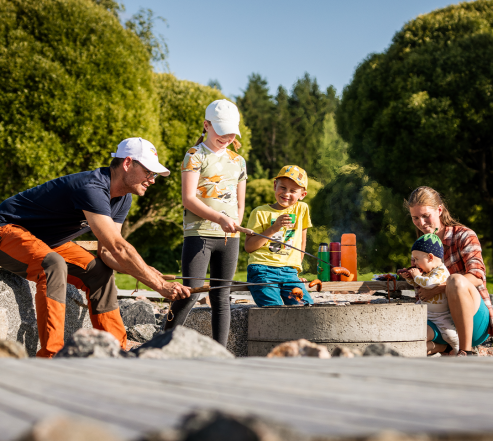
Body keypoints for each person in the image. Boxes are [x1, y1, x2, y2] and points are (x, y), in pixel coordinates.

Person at [0, 137, 190, 357]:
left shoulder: (123, 198)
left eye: (154, 175)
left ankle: (116, 352)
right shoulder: (91, 186)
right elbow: (118, 246)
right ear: (128, 163)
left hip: (43, 242)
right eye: (149, 172)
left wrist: (144, 271)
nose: (152, 180)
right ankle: (51, 357)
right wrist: (158, 285)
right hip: (5, 229)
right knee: (53, 265)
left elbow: (108, 252)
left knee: (99, 271)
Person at [163, 99, 247, 347]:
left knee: (222, 297)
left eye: (231, 132)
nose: (227, 136)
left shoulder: (238, 161)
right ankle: (161, 342)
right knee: (190, 293)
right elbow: (188, 199)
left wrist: (236, 225)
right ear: (206, 125)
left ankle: (219, 353)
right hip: (199, 234)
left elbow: (239, 203)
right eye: (221, 131)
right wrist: (220, 219)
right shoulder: (194, 155)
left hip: (229, 238)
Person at [404, 186, 492, 356]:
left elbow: (477, 276)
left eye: (425, 216)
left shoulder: (464, 235)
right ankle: (446, 347)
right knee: (408, 347)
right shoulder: (420, 248)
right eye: (415, 218)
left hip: (474, 322)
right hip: (441, 321)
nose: (421, 223)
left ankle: (466, 351)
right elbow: (421, 291)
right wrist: (411, 276)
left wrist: (439, 288)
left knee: (455, 280)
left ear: (439, 210)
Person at [244, 165, 314, 306]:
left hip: (289, 272)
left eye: (293, 190)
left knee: (305, 307)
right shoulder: (260, 212)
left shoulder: (302, 209)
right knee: (274, 309)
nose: (286, 193)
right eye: (283, 187)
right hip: (262, 269)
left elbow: (301, 242)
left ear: (302, 195)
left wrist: (296, 270)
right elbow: (249, 247)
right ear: (275, 185)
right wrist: (274, 228)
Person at [400, 230, 459, 355]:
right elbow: (419, 284)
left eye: (416, 259)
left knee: (451, 336)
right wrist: (410, 278)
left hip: (441, 316)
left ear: (430, 257)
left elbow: (428, 283)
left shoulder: (441, 271)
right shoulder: (428, 271)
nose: (415, 263)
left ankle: (459, 350)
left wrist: (416, 276)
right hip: (427, 312)